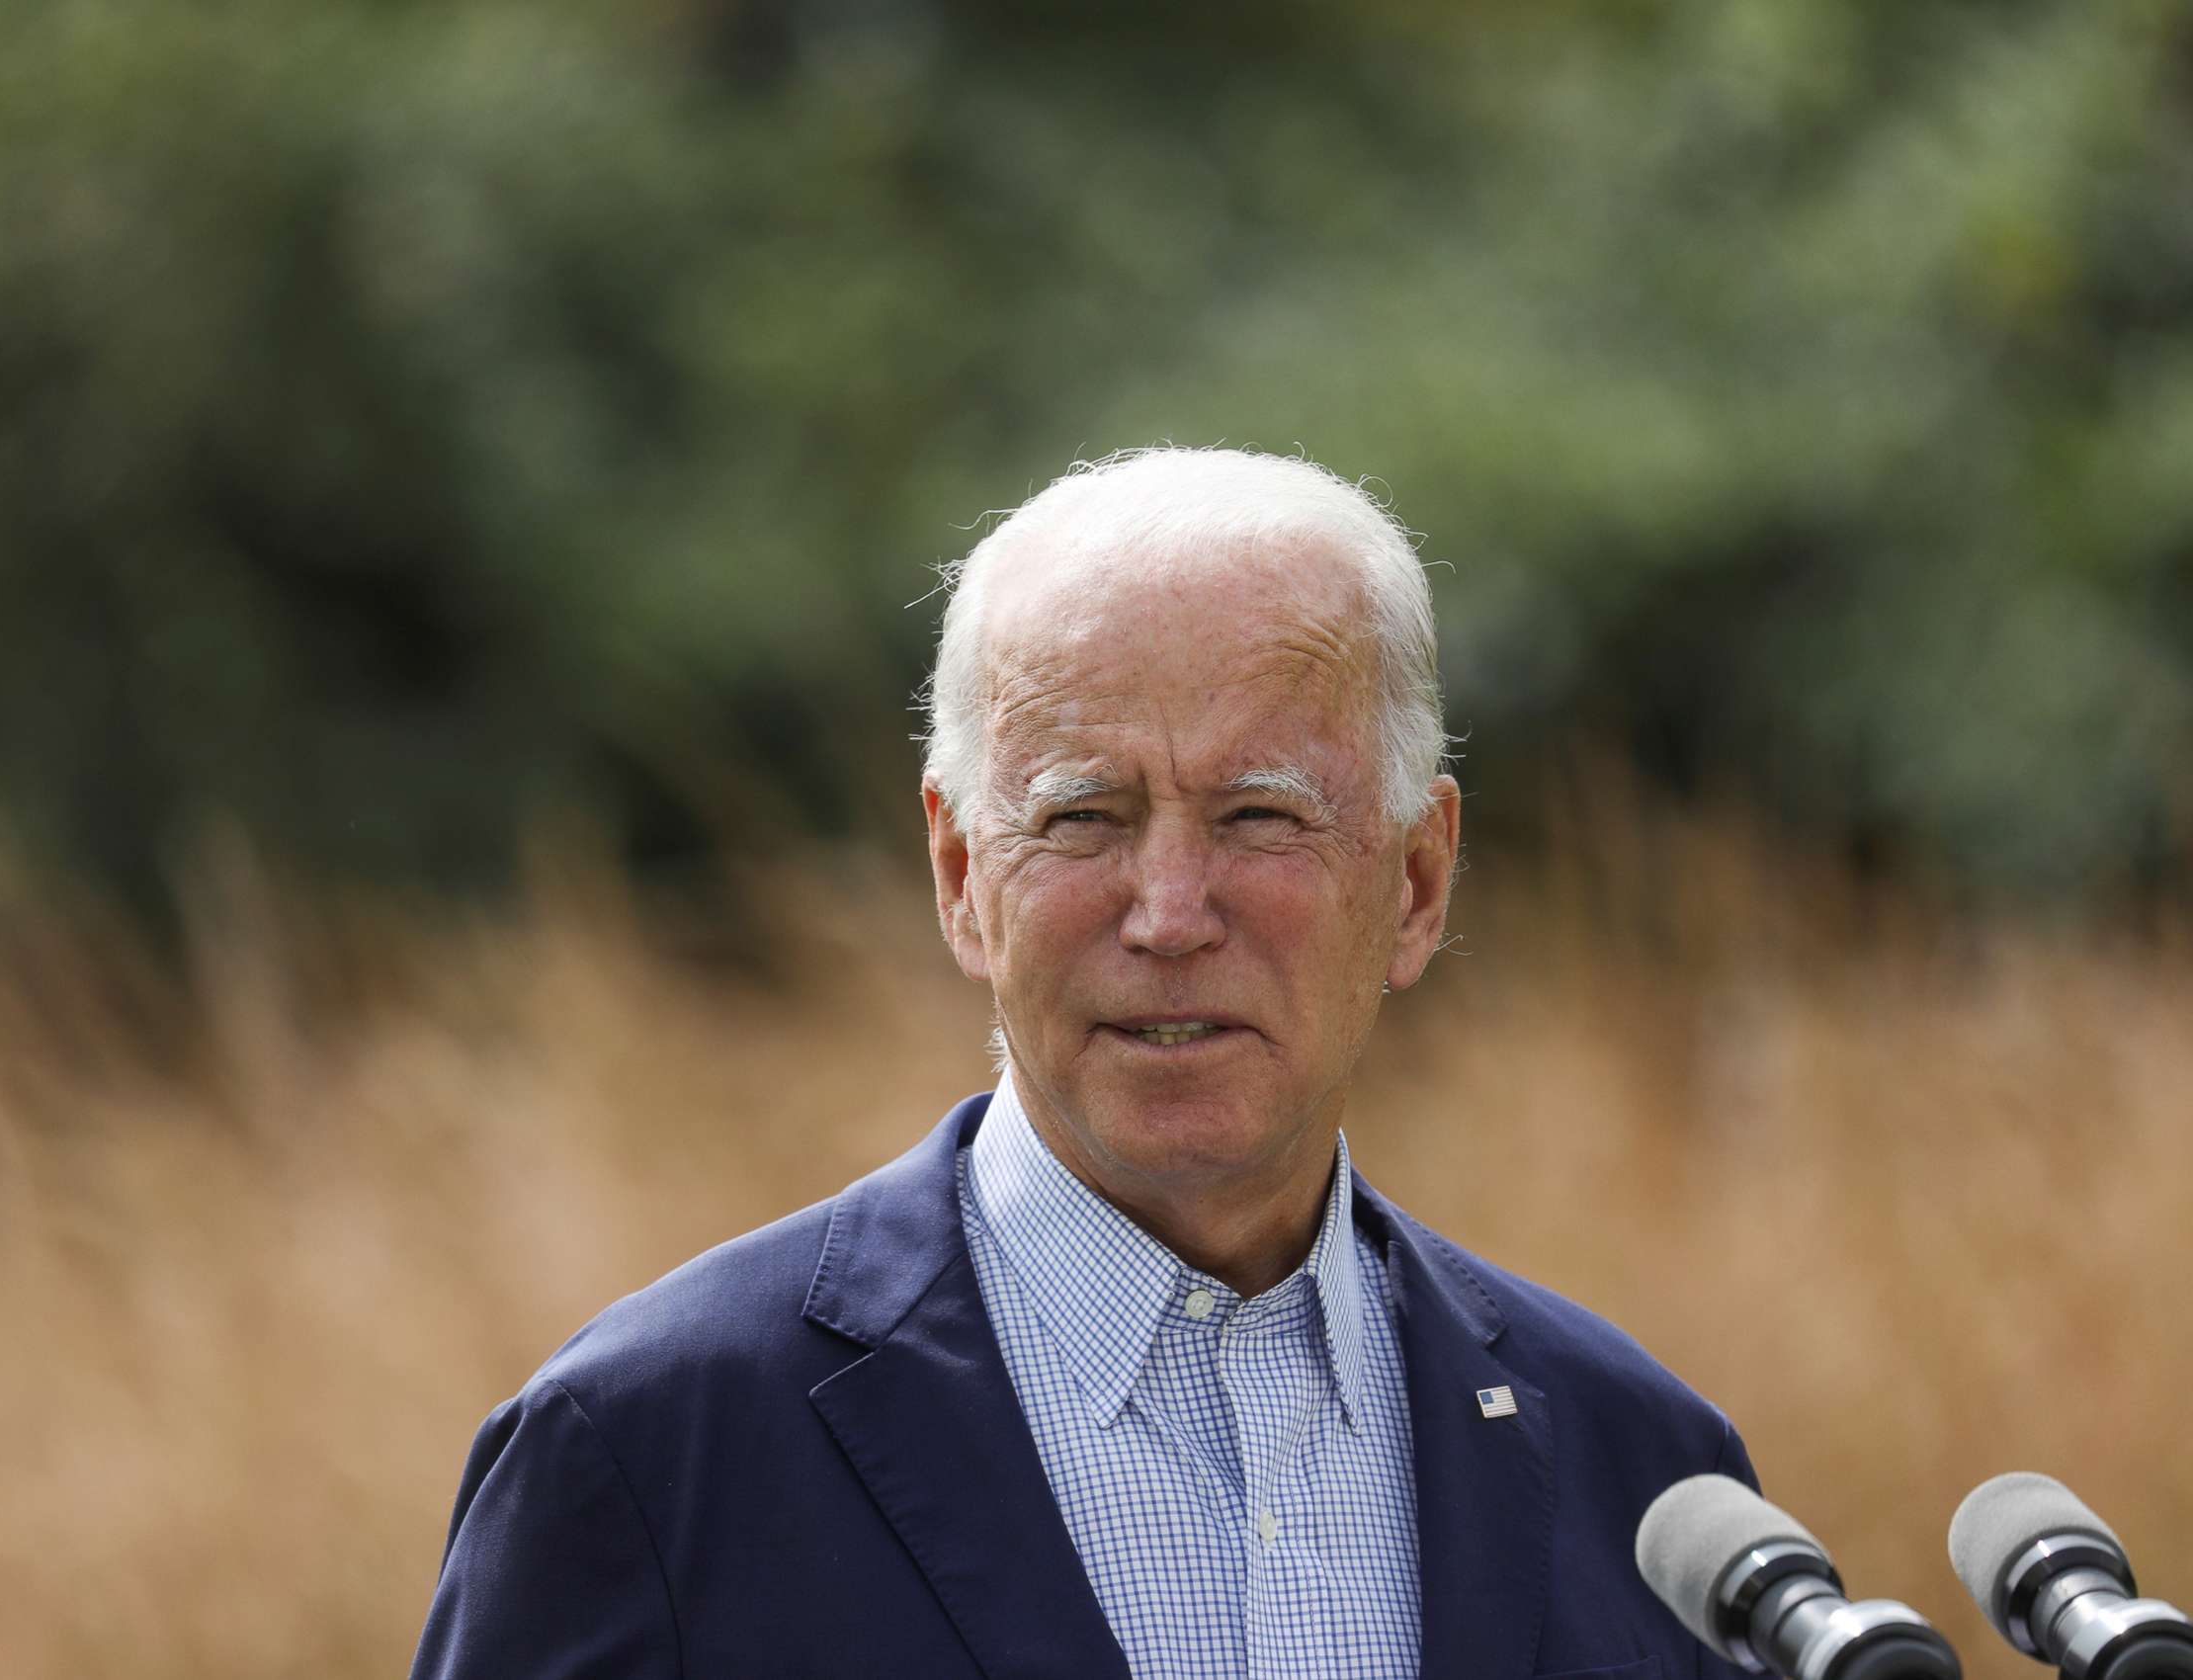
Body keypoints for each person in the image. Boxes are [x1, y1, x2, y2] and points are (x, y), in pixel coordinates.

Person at [407, 448, 1756, 1679]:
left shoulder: (1650, 1482)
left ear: (1415, 882)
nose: (1169, 911)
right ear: (958, 874)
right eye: (1085, 816)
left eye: (1259, 815)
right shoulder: (652, 1454)